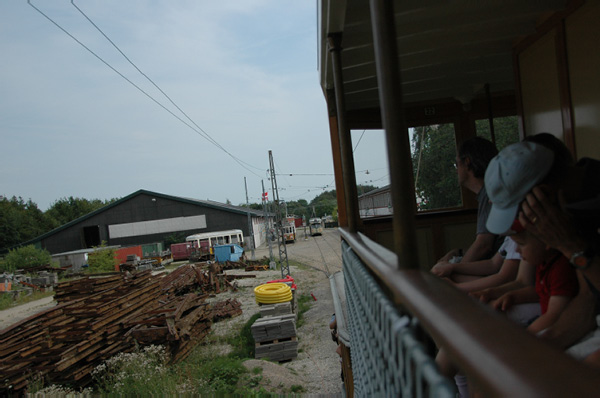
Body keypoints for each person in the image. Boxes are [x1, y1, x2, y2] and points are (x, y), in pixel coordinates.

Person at [433, 137, 501, 274]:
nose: (456, 170)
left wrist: (456, 269)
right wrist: (456, 252)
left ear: (467, 162)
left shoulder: (490, 195)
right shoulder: (486, 195)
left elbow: (484, 245)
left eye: (456, 164)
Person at [432, 236, 520, 293]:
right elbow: (493, 264)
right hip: (499, 283)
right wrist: (452, 267)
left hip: (506, 288)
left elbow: (505, 278)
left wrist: (456, 287)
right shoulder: (510, 237)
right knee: (450, 275)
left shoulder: (519, 238)